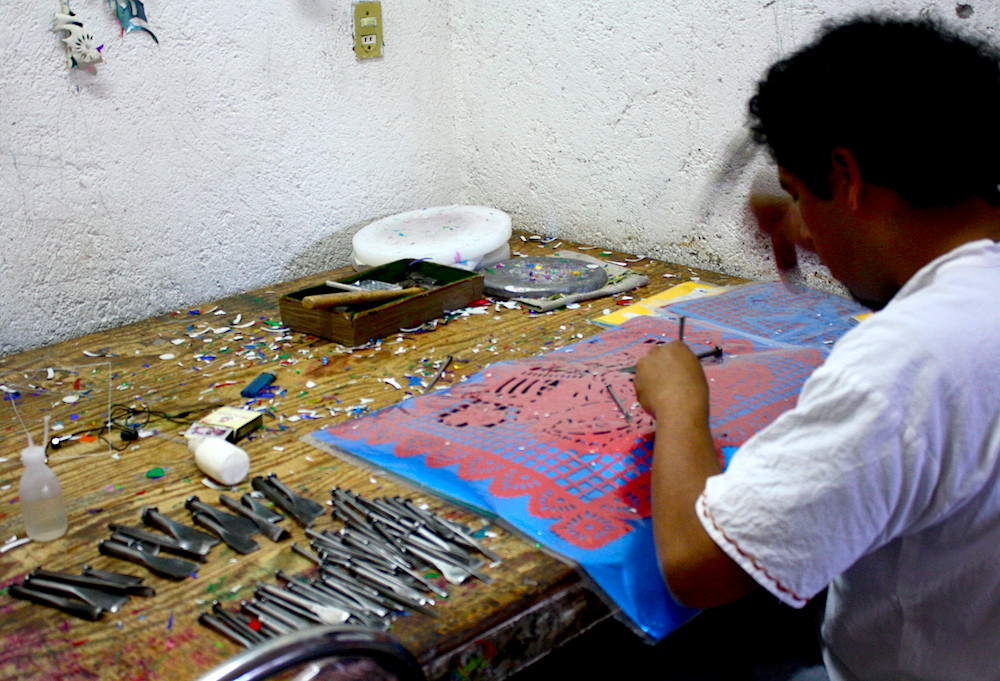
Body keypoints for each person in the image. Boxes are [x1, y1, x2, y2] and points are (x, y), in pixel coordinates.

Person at [634, 16, 1000, 681]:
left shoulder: (905, 364)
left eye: (802, 196)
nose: (805, 234)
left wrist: (680, 401)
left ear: (848, 175)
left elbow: (696, 566)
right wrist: (808, 204)